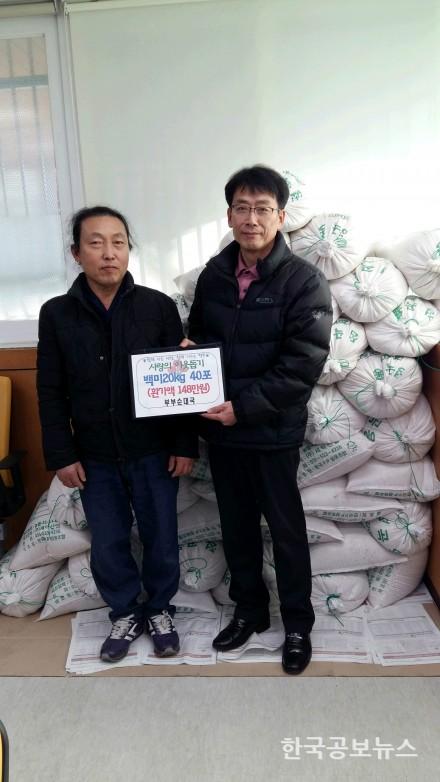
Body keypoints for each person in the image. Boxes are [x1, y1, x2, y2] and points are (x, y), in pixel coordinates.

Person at [185, 165, 332, 674]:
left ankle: (297, 625)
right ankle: (249, 611)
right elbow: (202, 339)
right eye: (242, 208)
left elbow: (303, 364)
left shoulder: (304, 281)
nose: (252, 219)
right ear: (229, 215)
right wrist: (187, 359)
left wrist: (243, 408)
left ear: (281, 217)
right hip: (223, 433)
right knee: (237, 527)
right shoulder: (214, 276)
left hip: (272, 432)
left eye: (263, 209)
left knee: (286, 532)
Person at [37, 206, 198, 663]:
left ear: (129, 250)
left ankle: (160, 609)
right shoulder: (57, 314)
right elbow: (50, 389)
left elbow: (178, 382)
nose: (109, 253)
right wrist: (61, 453)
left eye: (119, 242)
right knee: (107, 541)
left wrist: (183, 443)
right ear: (76, 253)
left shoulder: (157, 307)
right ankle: (125, 612)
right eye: (96, 243)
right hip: (94, 455)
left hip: (153, 451)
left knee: (162, 536)